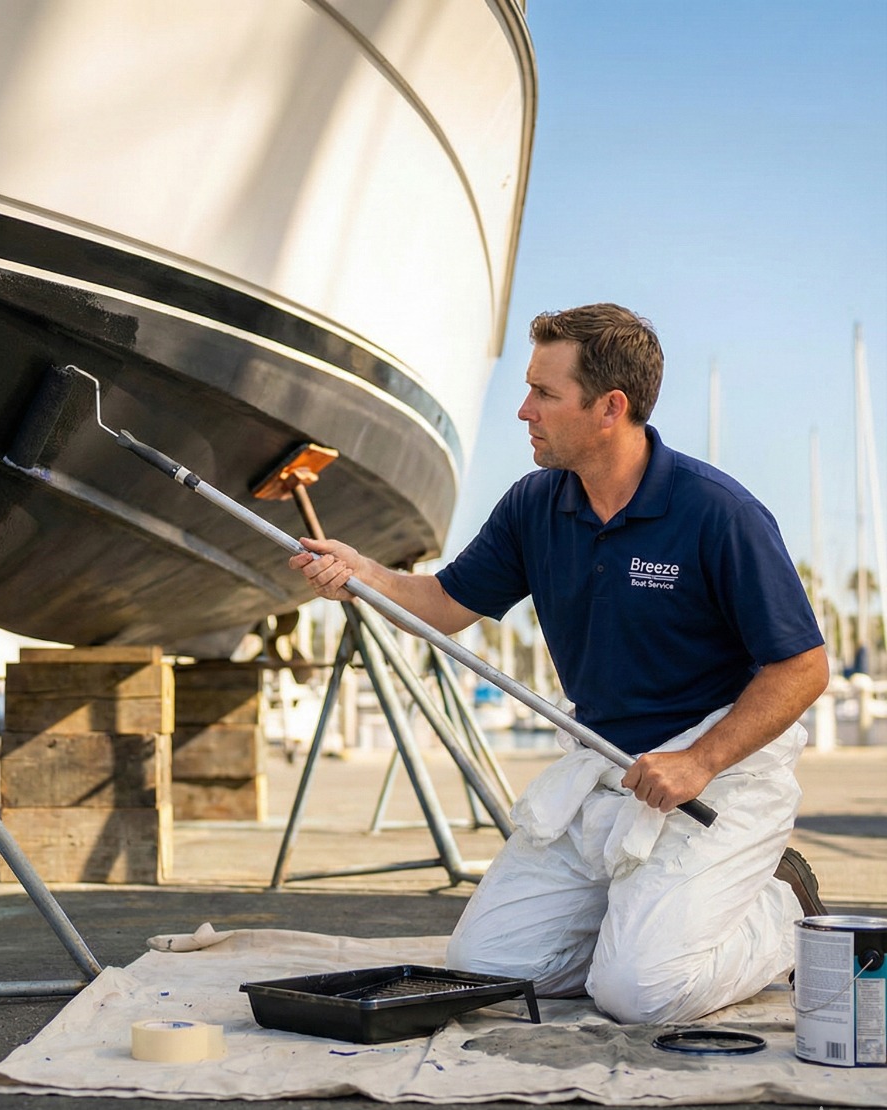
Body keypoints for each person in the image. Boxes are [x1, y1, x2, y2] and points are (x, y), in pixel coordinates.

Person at [290, 303, 830, 1024]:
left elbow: (803, 668)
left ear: (610, 407)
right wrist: (363, 573)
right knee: (487, 975)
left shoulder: (716, 512)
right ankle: (647, 918)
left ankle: (776, 907)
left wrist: (699, 761)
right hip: (605, 773)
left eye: (545, 393)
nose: (523, 410)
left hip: (718, 782)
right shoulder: (534, 505)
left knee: (641, 994)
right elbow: (444, 603)